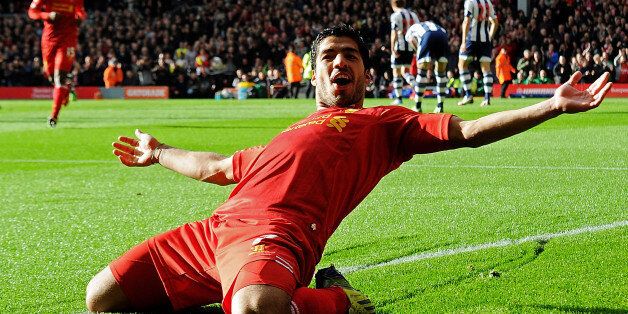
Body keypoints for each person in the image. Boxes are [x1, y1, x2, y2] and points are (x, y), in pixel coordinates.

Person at [86, 24, 612, 313]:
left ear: (363, 72)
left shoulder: (384, 124)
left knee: (255, 310)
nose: (341, 62)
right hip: (213, 233)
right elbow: (220, 167)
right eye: (330, 56)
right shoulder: (289, 133)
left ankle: (338, 302)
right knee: (101, 297)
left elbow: (467, 132)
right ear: (313, 73)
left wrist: (548, 105)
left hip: (280, 235)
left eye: (351, 56)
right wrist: (159, 153)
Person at [28, 0, 87, 128]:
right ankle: (65, 90)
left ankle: (54, 115)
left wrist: (80, 17)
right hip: (49, 40)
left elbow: (81, 11)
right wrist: (47, 15)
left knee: (59, 77)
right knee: (50, 76)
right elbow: (32, 12)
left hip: (68, 40)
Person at [457, 0, 498, 107]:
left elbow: (466, 21)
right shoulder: (488, 2)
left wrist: (463, 42)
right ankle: (487, 98)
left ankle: (468, 95)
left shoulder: (470, 2)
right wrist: (489, 37)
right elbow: (495, 22)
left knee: (462, 65)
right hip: (485, 40)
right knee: (486, 69)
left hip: (471, 39)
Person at [405, 20, 449, 113]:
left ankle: (417, 106)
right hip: (443, 34)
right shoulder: (429, 24)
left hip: (427, 35)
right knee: (441, 73)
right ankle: (440, 106)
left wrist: (418, 53)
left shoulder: (410, 30)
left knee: (422, 72)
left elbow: (411, 40)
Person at [389, 0, 420, 105]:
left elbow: (394, 32)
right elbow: (417, 31)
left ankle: (399, 98)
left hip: (399, 46)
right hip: (410, 47)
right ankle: (417, 87)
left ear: (393, 4)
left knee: (396, 72)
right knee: (405, 71)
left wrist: (392, 48)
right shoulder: (413, 15)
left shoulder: (395, 15)